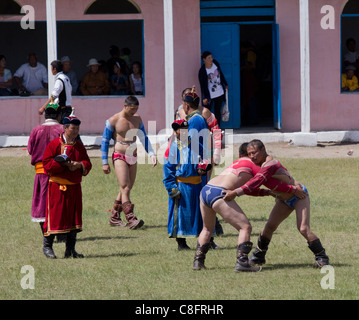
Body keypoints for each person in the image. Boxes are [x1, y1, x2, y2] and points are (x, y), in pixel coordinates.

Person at [193, 143, 302, 272]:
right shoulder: (254, 165)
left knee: (207, 228)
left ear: (240, 154)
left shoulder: (236, 163)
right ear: (250, 154)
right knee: (245, 227)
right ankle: (242, 263)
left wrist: (265, 193)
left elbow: (248, 188)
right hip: (220, 193)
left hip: (206, 190)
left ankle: (198, 262)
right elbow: (268, 183)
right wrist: (293, 189)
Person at [223, 139, 330, 268]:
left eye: (254, 153)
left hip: (299, 196)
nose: (252, 156)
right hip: (284, 199)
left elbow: (256, 182)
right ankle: (258, 257)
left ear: (263, 150)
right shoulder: (260, 165)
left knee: (303, 228)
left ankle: (322, 257)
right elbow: (273, 183)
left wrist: (235, 192)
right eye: (249, 154)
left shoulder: (270, 164)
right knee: (269, 227)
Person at [101, 96, 157, 229]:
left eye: (136, 109)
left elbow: (143, 137)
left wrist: (152, 154)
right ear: (125, 106)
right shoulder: (113, 120)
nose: (134, 112)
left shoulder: (137, 119)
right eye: (132, 109)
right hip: (119, 155)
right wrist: (105, 162)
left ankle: (114, 217)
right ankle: (131, 218)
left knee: (127, 187)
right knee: (125, 187)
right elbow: (104, 142)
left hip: (133, 155)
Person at [42, 115, 92, 259]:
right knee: (54, 217)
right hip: (57, 187)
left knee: (73, 218)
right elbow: (46, 165)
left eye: (77, 128)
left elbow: (87, 163)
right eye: (73, 128)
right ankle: (47, 247)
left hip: (75, 187)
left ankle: (70, 250)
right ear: (64, 128)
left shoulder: (79, 146)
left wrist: (79, 165)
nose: (76, 131)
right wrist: (62, 164)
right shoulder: (53, 145)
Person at [163, 119, 212, 250]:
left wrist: (203, 168)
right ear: (176, 131)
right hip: (181, 186)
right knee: (181, 215)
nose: (184, 132)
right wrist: (172, 188)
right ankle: (181, 244)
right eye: (181, 130)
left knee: (201, 214)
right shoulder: (173, 147)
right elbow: (168, 170)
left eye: (186, 129)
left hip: (197, 184)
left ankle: (206, 241)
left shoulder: (195, 145)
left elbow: (203, 160)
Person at [27, 103, 63, 234]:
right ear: (58, 116)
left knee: (42, 202)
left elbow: (30, 150)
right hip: (59, 173)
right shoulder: (62, 129)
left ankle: (45, 231)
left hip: (41, 173)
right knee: (59, 201)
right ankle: (60, 231)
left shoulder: (36, 130)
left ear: (45, 116)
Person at [198, 51, 228, 127]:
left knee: (218, 112)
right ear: (204, 59)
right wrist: (204, 97)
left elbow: (221, 74)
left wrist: (225, 83)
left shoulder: (215, 63)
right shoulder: (202, 71)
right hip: (210, 95)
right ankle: (208, 129)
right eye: (209, 58)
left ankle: (217, 128)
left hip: (219, 92)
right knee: (207, 113)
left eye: (211, 57)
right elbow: (202, 86)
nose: (211, 59)